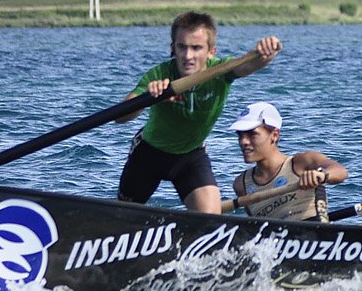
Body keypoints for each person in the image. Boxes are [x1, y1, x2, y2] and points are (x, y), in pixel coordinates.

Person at [116, 11, 281, 214]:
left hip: (190, 156)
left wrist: (264, 56)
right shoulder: (159, 74)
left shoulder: (221, 70)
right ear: (172, 49)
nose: (188, 56)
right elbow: (121, 117)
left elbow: (248, 65)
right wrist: (149, 98)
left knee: (210, 220)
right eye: (182, 47)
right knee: (123, 215)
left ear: (211, 51)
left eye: (196, 48)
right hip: (149, 153)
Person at [228, 102, 348, 221]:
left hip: (315, 234)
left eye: (252, 135)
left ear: (274, 135)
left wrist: (322, 175)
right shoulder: (241, 184)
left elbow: (341, 171)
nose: (243, 142)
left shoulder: (302, 162)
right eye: (240, 135)